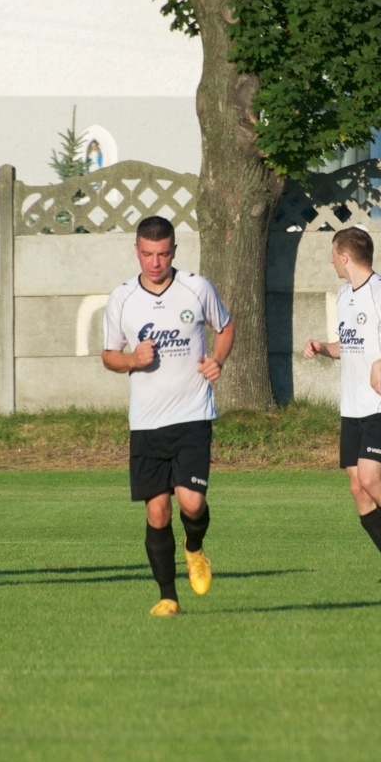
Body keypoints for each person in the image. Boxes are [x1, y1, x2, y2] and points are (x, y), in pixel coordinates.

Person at [102, 216, 233, 617]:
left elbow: (225, 328)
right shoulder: (122, 298)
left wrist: (217, 360)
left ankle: (194, 549)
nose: (155, 263)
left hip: (192, 416)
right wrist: (131, 359)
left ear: (174, 251)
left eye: (162, 254)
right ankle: (168, 597)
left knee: (191, 503)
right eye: (147, 254)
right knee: (157, 510)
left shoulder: (197, 287)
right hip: (146, 422)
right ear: (136, 252)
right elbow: (109, 356)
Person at [303, 227, 381, 583]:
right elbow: (351, 345)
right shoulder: (344, 295)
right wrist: (324, 348)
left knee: (371, 479)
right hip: (352, 406)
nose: (330, 260)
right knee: (357, 486)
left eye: (332, 254)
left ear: (344, 256)